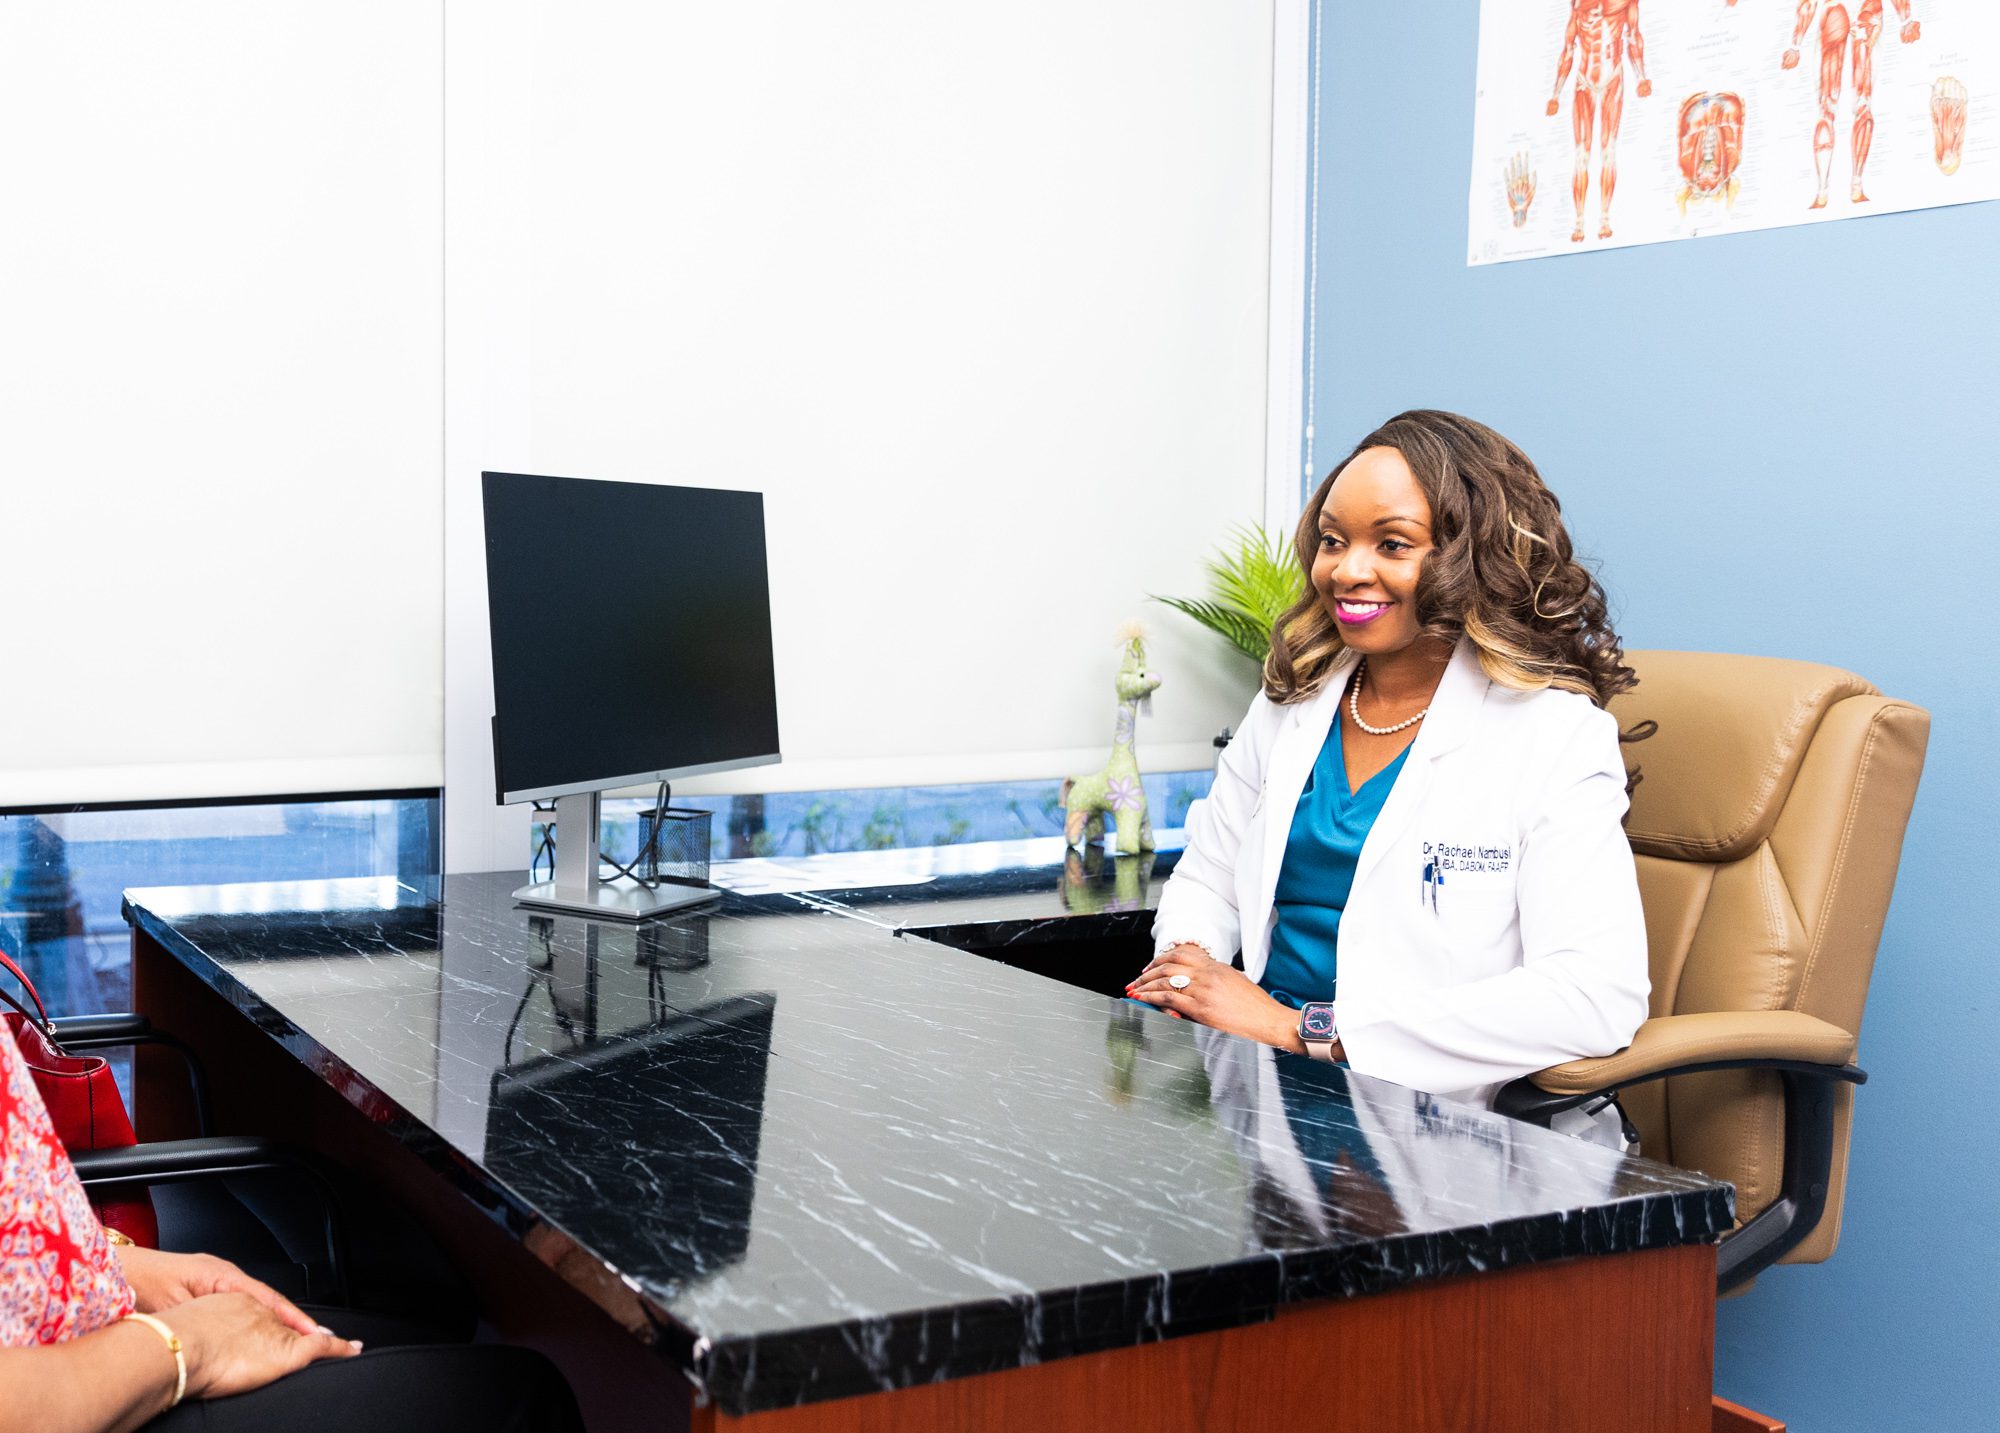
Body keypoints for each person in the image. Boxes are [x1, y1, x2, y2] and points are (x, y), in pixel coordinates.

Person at [1130, 409, 1649, 1114]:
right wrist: (1190, 969)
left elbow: (1593, 995)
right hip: (1271, 1098)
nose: (1347, 570)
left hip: (1445, 1123)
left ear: (1469, 558)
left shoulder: (1552, 734)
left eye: (1392, 544)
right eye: (1332, 540)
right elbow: (1210, 878)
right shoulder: (1292, 704)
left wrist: (1304, 1031)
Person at [0, 1017, 584, 1433]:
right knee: (519, 1395)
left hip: (61, 1333)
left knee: (419, 1344)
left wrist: (116, 1264)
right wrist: (191, 1345)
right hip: (66, 1401)